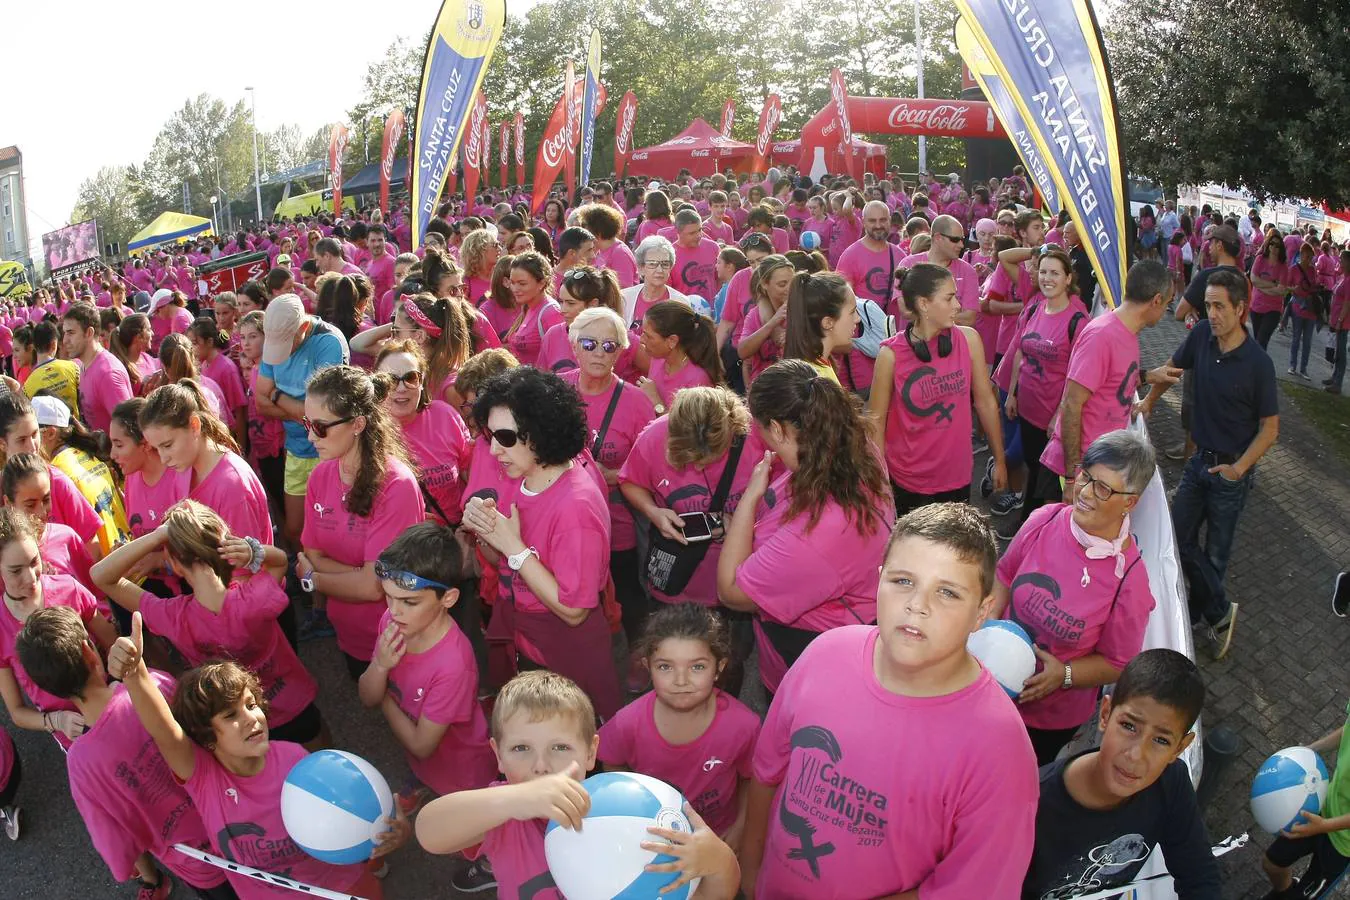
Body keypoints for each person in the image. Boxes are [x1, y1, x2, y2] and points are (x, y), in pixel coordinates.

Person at [738, 502, 1038, 898]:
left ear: (982, 612)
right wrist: (750, 865)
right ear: (877, 581)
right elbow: (767, 770)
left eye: (947, 592)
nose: (918, 605)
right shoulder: (823, 653)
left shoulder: (1001, 752)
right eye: (902, 581)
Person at [106, 613, 406, 900]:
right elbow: (165, 731)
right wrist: (135, 675)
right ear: (207, 737)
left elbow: (348, 815)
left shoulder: (295, 759)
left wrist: (387, 835)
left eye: (251, 704)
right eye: (231, 714)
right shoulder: (203, 777)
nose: (251, 718)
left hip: (340, 887)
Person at [416, 669, 741, 897]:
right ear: (497, 755)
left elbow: (707, 895)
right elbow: (430, 833)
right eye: (520, 749)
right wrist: (515, 800)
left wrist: (720, 861)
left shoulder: (631, 816)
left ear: (591, 752)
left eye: (560, 748)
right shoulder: (504, 812)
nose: (541, 766)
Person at [14, 606, 233, 900]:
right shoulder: (151, 684)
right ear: (89, 651)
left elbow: (115, 848)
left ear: (48, 689)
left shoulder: (80, 765)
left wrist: (130, 865)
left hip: (198, 862)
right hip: (232, 816)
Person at [718, 360, 895, 697]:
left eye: (761, 430)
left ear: (779, 429)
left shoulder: (815, 535)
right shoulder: (856, 448)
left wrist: (750, 499)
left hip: (813, 663)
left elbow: (730, 591)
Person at [91, 500, 325, 748]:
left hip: (237, 725)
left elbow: (101, 576)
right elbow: (280, 563)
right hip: (292, 700)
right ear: (222, 543)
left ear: (175, 565)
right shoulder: (254, 598)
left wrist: (159, 536)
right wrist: (255, 552)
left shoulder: (174, 617)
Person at [460, 367, 622, 720]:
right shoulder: (531, 477)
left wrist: (512, 547)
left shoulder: (575, 506)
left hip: (562, 651)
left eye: (505, 436)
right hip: (528, 637)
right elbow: (511, 561)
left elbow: (575, 609)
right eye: (489, 435)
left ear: (540, 433)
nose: (493, 449)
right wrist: (489, 532)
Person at [992, 429, 1157, 763]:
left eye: (1103, 487)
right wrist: (988, 621)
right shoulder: (1045, 519)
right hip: (992, 686)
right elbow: (1004, 574)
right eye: (1085, 475)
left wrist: (1064, 675)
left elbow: (1117, 663)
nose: (1085, 492)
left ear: (1130, 501)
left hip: (1047, 719)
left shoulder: (1130, 582)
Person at [1140, 269, 1279, 660]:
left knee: (1216, 555)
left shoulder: (1259, 364)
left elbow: (1270, 429)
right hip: (1198, 462)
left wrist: (1239, 470)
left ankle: (1202, 619)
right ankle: (1219, 613)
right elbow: (1171, 368)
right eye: (1208, 305)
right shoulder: (1201, 335)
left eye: (1220, 307)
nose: (1211, 314)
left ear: (1241, 310)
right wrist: (1149, 401)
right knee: (1177, 540)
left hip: (1231, 474)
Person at [1025, 649, 1220, 899]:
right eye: (1129, 726)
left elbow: (1200, 876)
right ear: (1105, 714)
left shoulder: (1171, 784)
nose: (1136, 755)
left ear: (1180, 748)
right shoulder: (1033, 802)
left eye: (1161, 740)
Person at [357, 522, 497, 809]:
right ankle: (423, 781)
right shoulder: (393, 622)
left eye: (409, 602)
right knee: (423, 768)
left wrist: (383, 692)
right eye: (389, 597)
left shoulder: (454, 665)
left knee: (463, 833)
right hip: (423, 755)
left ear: (448, 598)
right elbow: (365, 696)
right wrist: (380, 667)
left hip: (462, 776)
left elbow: (422, 744)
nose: (394, 611)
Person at [599, 602, 760, 847]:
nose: (681, 680)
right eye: (665, 667)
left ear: (719, 668)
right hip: (654, 837)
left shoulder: (744, 726)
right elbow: (612, 764)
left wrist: (740, 828)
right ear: (648, 667)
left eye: (697, 667)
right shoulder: (626, 724)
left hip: (716, 838)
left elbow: (751, 779)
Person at [299, 366, 425, 678]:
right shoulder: (320, 475)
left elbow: (372, 588)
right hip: (347, 632)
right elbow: (311, 553)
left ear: (357, 424)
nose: (310, 436)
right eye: (306, 423)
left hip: (397, 638)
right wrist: (360, 576)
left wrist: (315, 580)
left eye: (320, 427)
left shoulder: (397, 486)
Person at [868, 264, 1006, 516]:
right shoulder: (890, 355)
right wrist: (880, 479)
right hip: (908, 480)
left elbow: (985, 403)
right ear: (923, 304)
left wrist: (999, 460)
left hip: (957, 476)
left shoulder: (969, 340)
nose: (958, 306)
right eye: (949, 297)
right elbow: (876, 421)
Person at [1041, 260, 1182, 502]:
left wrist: (1148, 376)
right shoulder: (1102, 335)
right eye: (1168, 303)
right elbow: (1073, 405)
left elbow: (1111, 383)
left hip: (1095, 467)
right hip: (1077, 472)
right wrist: (1074, 477)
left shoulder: (1127, 333)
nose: (1166, 310)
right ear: (1156, 300)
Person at [561, 308, 657, 641]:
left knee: (629, 592)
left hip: (619, 521)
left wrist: (610, 475)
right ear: (573, 346)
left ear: (621, 351)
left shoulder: (636, 403)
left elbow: (652, 471)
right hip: (563, 522)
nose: (599, 352)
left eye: (609, 345)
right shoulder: (554, 393)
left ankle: (636, 654)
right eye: (588, 344)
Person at [0, 507, 117, 750]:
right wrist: (55, 720)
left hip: (110, 703)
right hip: (73, 734)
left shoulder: (68, 589)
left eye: (34, 562)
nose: (31, 578)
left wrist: (121, 681)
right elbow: (17, 712)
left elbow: (112, 641)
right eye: (16, 570)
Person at [997, 246, 1090, 531]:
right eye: (1043, 271)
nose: (1047, 278)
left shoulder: (1078, 320)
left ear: (1067, 278)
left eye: (1055, 273)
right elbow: (1020, 353)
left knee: (1044, 478)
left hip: (1052, 417)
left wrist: (1058, 417)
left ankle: (1031, 526)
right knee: (1030, 464)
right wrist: (1012, 392)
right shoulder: (1035, 308)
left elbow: (1077, 376)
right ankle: (1032, 524)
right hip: (1026, 408)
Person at [254, 293, 349, 571]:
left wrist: (276, 396)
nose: (281, 353)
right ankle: (309, 578)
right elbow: (260, 402)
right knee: (295, 531)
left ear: (304, 328)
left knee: (331, 531)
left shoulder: (328, 342)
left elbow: (322, 413)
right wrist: (301, 410)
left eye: (289, 344)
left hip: (330, 454)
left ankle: (326, 588)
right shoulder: (276, 336)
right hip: (296, 450)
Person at [140, 381, 271, 545]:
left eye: (167, 445)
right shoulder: (183, 468)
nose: (163, 459)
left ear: (194, 426)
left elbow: (245, 567)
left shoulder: (232, 486)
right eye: (156, 449)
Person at [375, 340, 471, 525]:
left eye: (411, 378)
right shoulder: (367, 430)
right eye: (391, 379)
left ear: (422, 381)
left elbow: (471, 474)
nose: (402, 387)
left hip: (453, 534)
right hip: (399, 540)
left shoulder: (444, 415)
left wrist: (470, 529)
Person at [33, 395, 131, 558]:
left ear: (50, 433)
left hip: (109, 567)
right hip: (128, 553)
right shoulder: (87, 453)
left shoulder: (55, 472)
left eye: (33, 433)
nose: (31, 444)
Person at [537, 266, 628, 376]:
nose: (562, 310)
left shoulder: (619, 337)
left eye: (571, 303)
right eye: (561, 301)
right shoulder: (552, 335)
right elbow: (541, 380)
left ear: (592, 304)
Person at [62, 303, 133, 434]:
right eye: (64, 333)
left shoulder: (107, 374)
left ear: (89, 333)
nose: (65, 340)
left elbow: (129, 430)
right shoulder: (82, 365)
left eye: (70, 333)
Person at [637, 301, 724, 408]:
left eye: (648, 336)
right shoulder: (657, 360)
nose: (641, 339)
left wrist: (656, 402)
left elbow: (686, 424)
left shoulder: (698, 380)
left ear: (672, 341)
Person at [781, 272, 861, 386]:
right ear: (828, 322)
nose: (857, 319)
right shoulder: (815, 381)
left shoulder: (816, 366)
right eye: (852, 312)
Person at [736, 254, 795, 386]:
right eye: (782, 284)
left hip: (793, 386)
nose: (789, 288)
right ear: (764, 284)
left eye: (792, 282)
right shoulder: (754, 315)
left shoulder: (801, 309)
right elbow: (743, 352)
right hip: (764, 389)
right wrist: (772, 322)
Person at [189, 316, 247, 444]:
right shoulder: (203, 365)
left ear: (209, 342)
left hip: (229, 437)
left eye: (194, 343)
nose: (191, 349)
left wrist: (241, 447)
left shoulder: (227, 368)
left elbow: (240, 412)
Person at [502, 251, 562, 368]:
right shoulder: (527, 307)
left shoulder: (551, 312)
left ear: (541, 283)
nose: (515, 289)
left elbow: (559, 360)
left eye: (522, 284)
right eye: (512, 283)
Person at [624, 235, 691, 334]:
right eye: (652, 264)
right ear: (641, 268)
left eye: (665, 264)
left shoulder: (681, 302)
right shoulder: (624, 298)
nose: (659, 270)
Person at [23, 321, 81, 420]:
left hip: (48, 434)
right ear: (54, 344)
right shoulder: (73, 367)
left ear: (34, 346)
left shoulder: (27, 386)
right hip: (76, 429)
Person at [1286, 243, 1322, 380]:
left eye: (1311, 257)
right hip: (1298, 307)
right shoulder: (1294, 269)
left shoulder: (1313, 270)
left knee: (1307, 341)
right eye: (1307, 256)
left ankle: (1303, 369)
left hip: (1310, 309)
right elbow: (1287, 286)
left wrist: (1317, 287)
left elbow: (1313, 285)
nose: (1309, 259)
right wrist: (1294, 289)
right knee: (1296, 338)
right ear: (1301, 255)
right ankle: (1292, 365)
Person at [110, 314, 163, 395]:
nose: (152, 333)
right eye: (149, 329)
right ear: (138, 337)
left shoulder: (146, 357)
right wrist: (142, 392)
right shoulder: (122, 369)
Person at [1327, 249, 1350, 395]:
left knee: (1340, 353)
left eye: (1342, 259)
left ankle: (1338, 383)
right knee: (1336, 350)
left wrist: (1340, 321)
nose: (1339, 261)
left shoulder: (1349, 280)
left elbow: (1347, 303)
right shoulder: (1344, 277)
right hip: (1336, 319)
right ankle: (1334, 377)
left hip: (1343, 322)